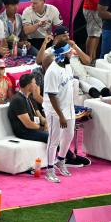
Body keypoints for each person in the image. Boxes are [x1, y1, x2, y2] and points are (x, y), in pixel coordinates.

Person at [43, 42, 79, 183]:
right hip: (55, 110)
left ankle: (60, 160)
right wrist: (61, 116)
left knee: (69, 135)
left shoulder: (68, 66)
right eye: (69, 52)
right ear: (62, 55)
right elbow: (52, 96)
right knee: (54, 140)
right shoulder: (52, 71)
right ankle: (49, 170)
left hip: (68, 107)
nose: (72, 53)